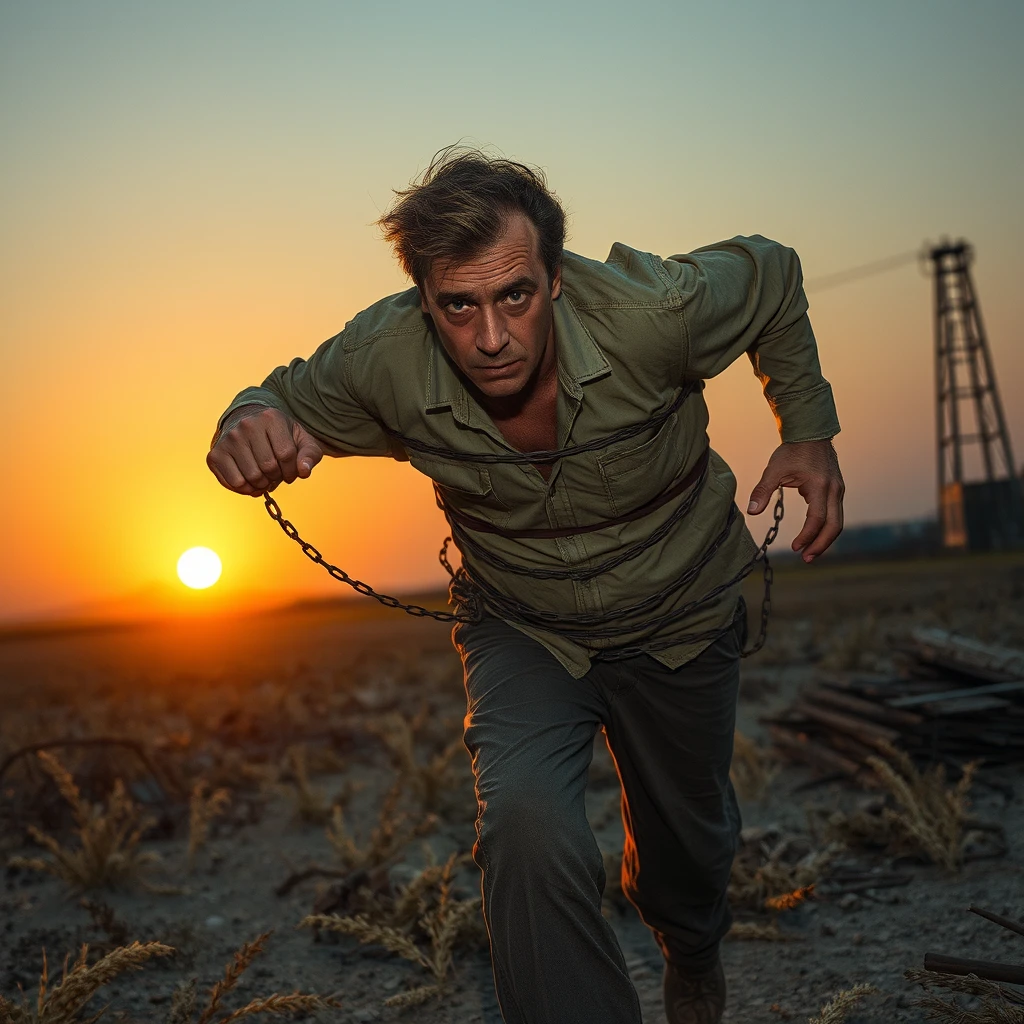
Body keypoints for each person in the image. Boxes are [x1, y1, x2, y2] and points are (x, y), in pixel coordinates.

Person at [207, 148, 844, 1024]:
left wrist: (808, 431)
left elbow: (772, 272)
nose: (492, 336)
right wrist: (247, 427)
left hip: (680, 614)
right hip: (524, 627)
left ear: (556, 275)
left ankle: (691, 952)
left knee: (686, 856)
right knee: (524, 824)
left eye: (516, 295)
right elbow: (271, 401)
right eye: (458, 306)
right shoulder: (384, 356)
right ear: (424, 300)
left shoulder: (653, 313)